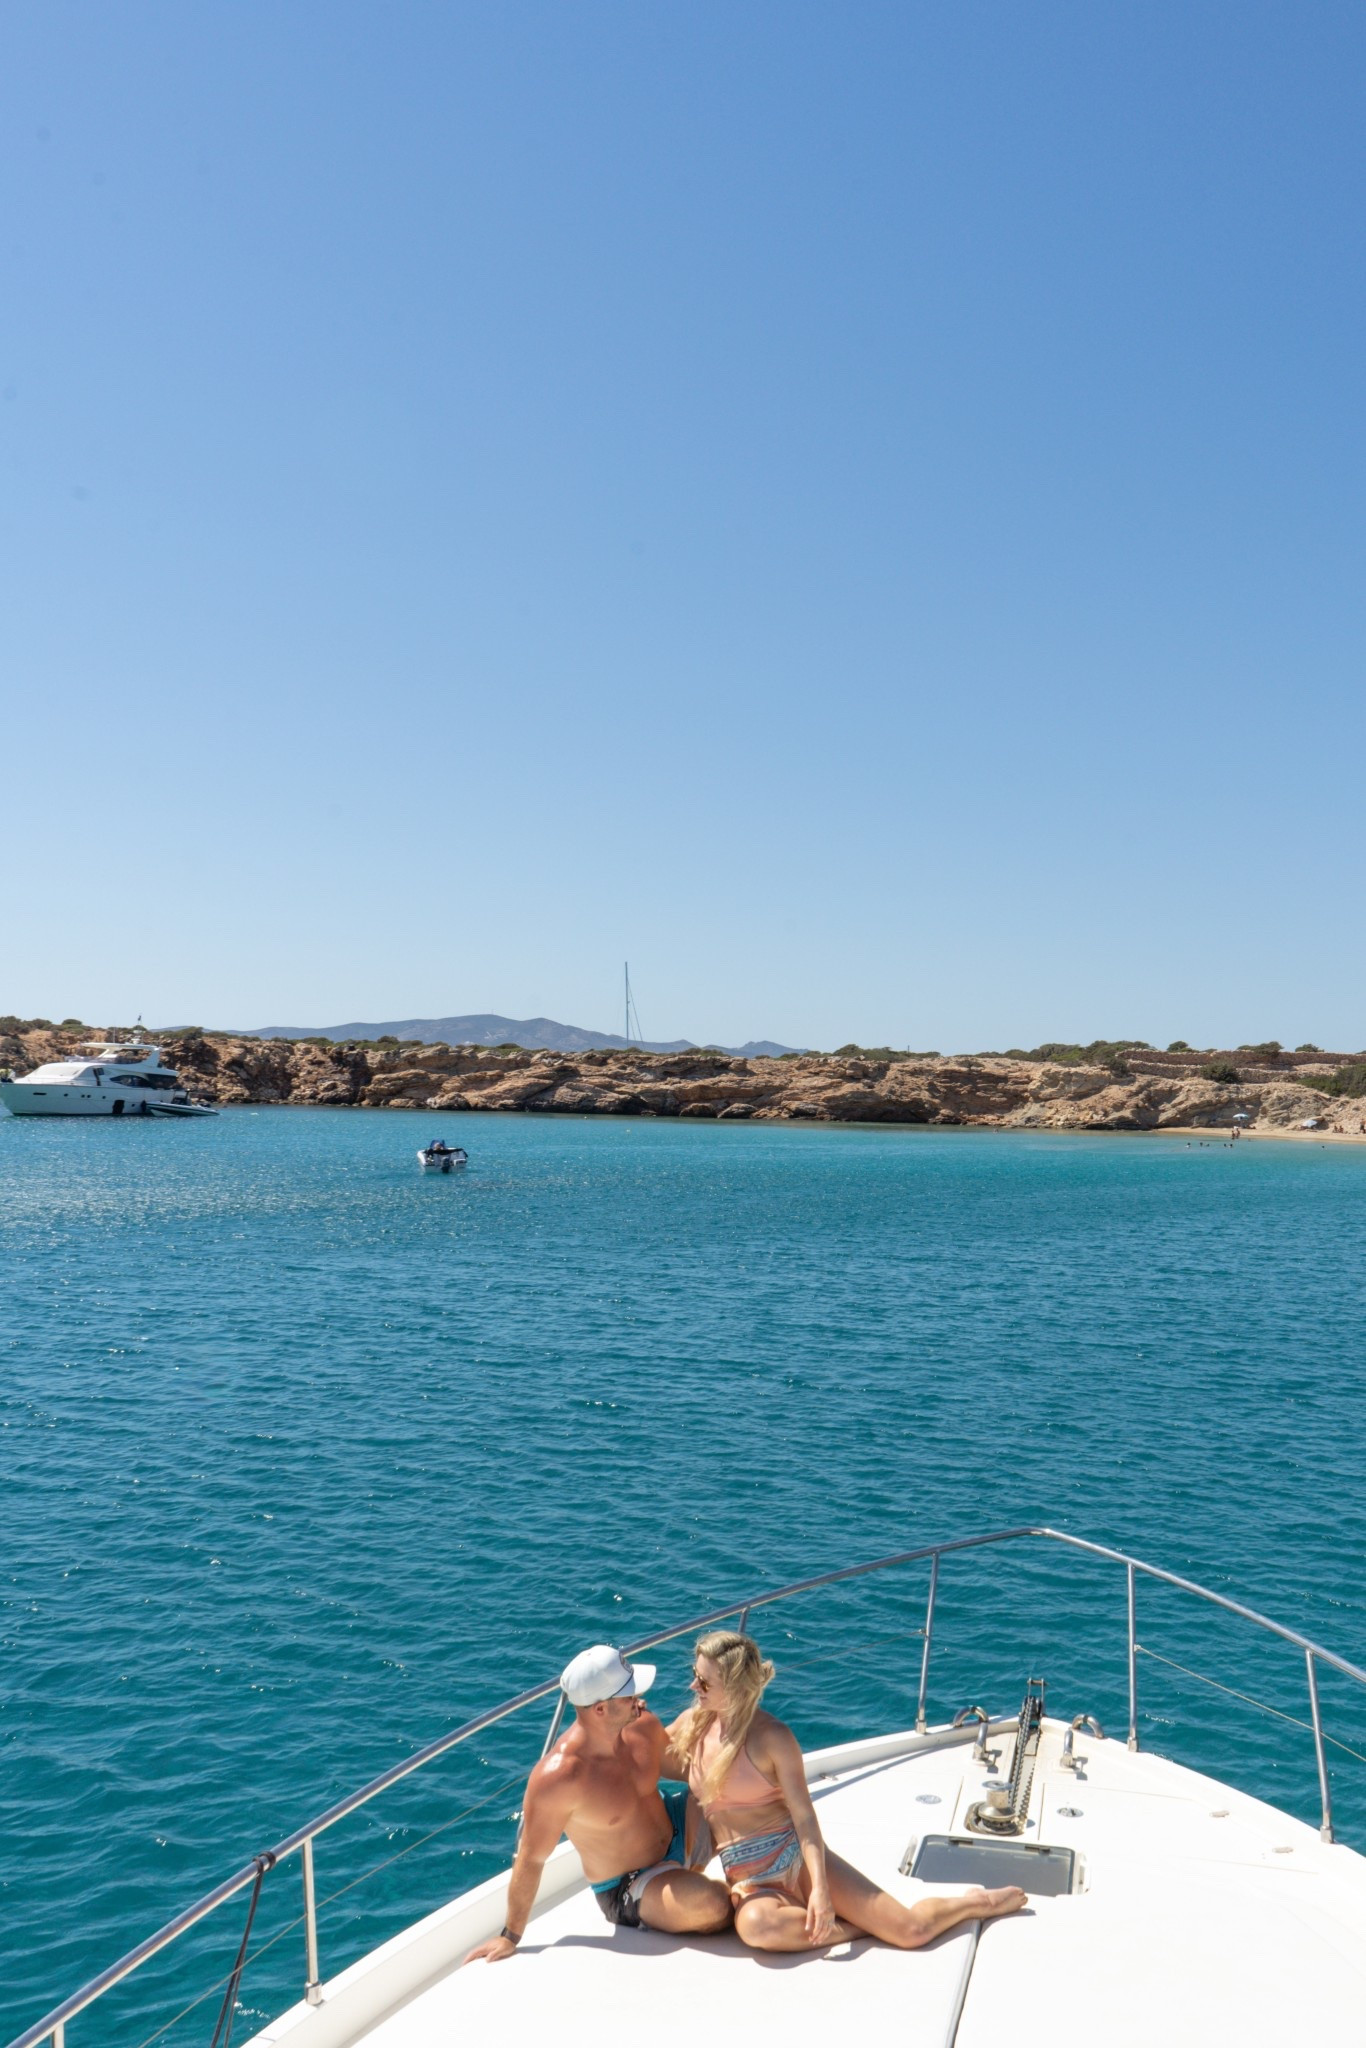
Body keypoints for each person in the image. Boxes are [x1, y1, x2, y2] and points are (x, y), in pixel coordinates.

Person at [667, 1630, 1027, 1953]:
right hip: (749, 1881)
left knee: (910, 1932)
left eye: (703, 1682)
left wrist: (821, 1891)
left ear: (732, 1687)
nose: (693, 1687)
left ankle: (975, 1903)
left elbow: (805, 1818)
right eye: (696, 1677)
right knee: (757, 1928)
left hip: (795, 1858)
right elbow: (640, 1760)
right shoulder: (692, 1727)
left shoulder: (772, 1738)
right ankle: (860, 1928)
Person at [463, 1645, 732, 1963]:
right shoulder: (559, 1778)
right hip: (631, 1883)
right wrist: (510, 1935)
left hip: (677, 1828)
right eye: (628, 1694)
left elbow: (692, 1770)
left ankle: (762, 1880)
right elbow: (531, 1859)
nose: (638, 1699)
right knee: (714, 1906)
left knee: (746, 1785)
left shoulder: (641, 1724)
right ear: (600, 1709)